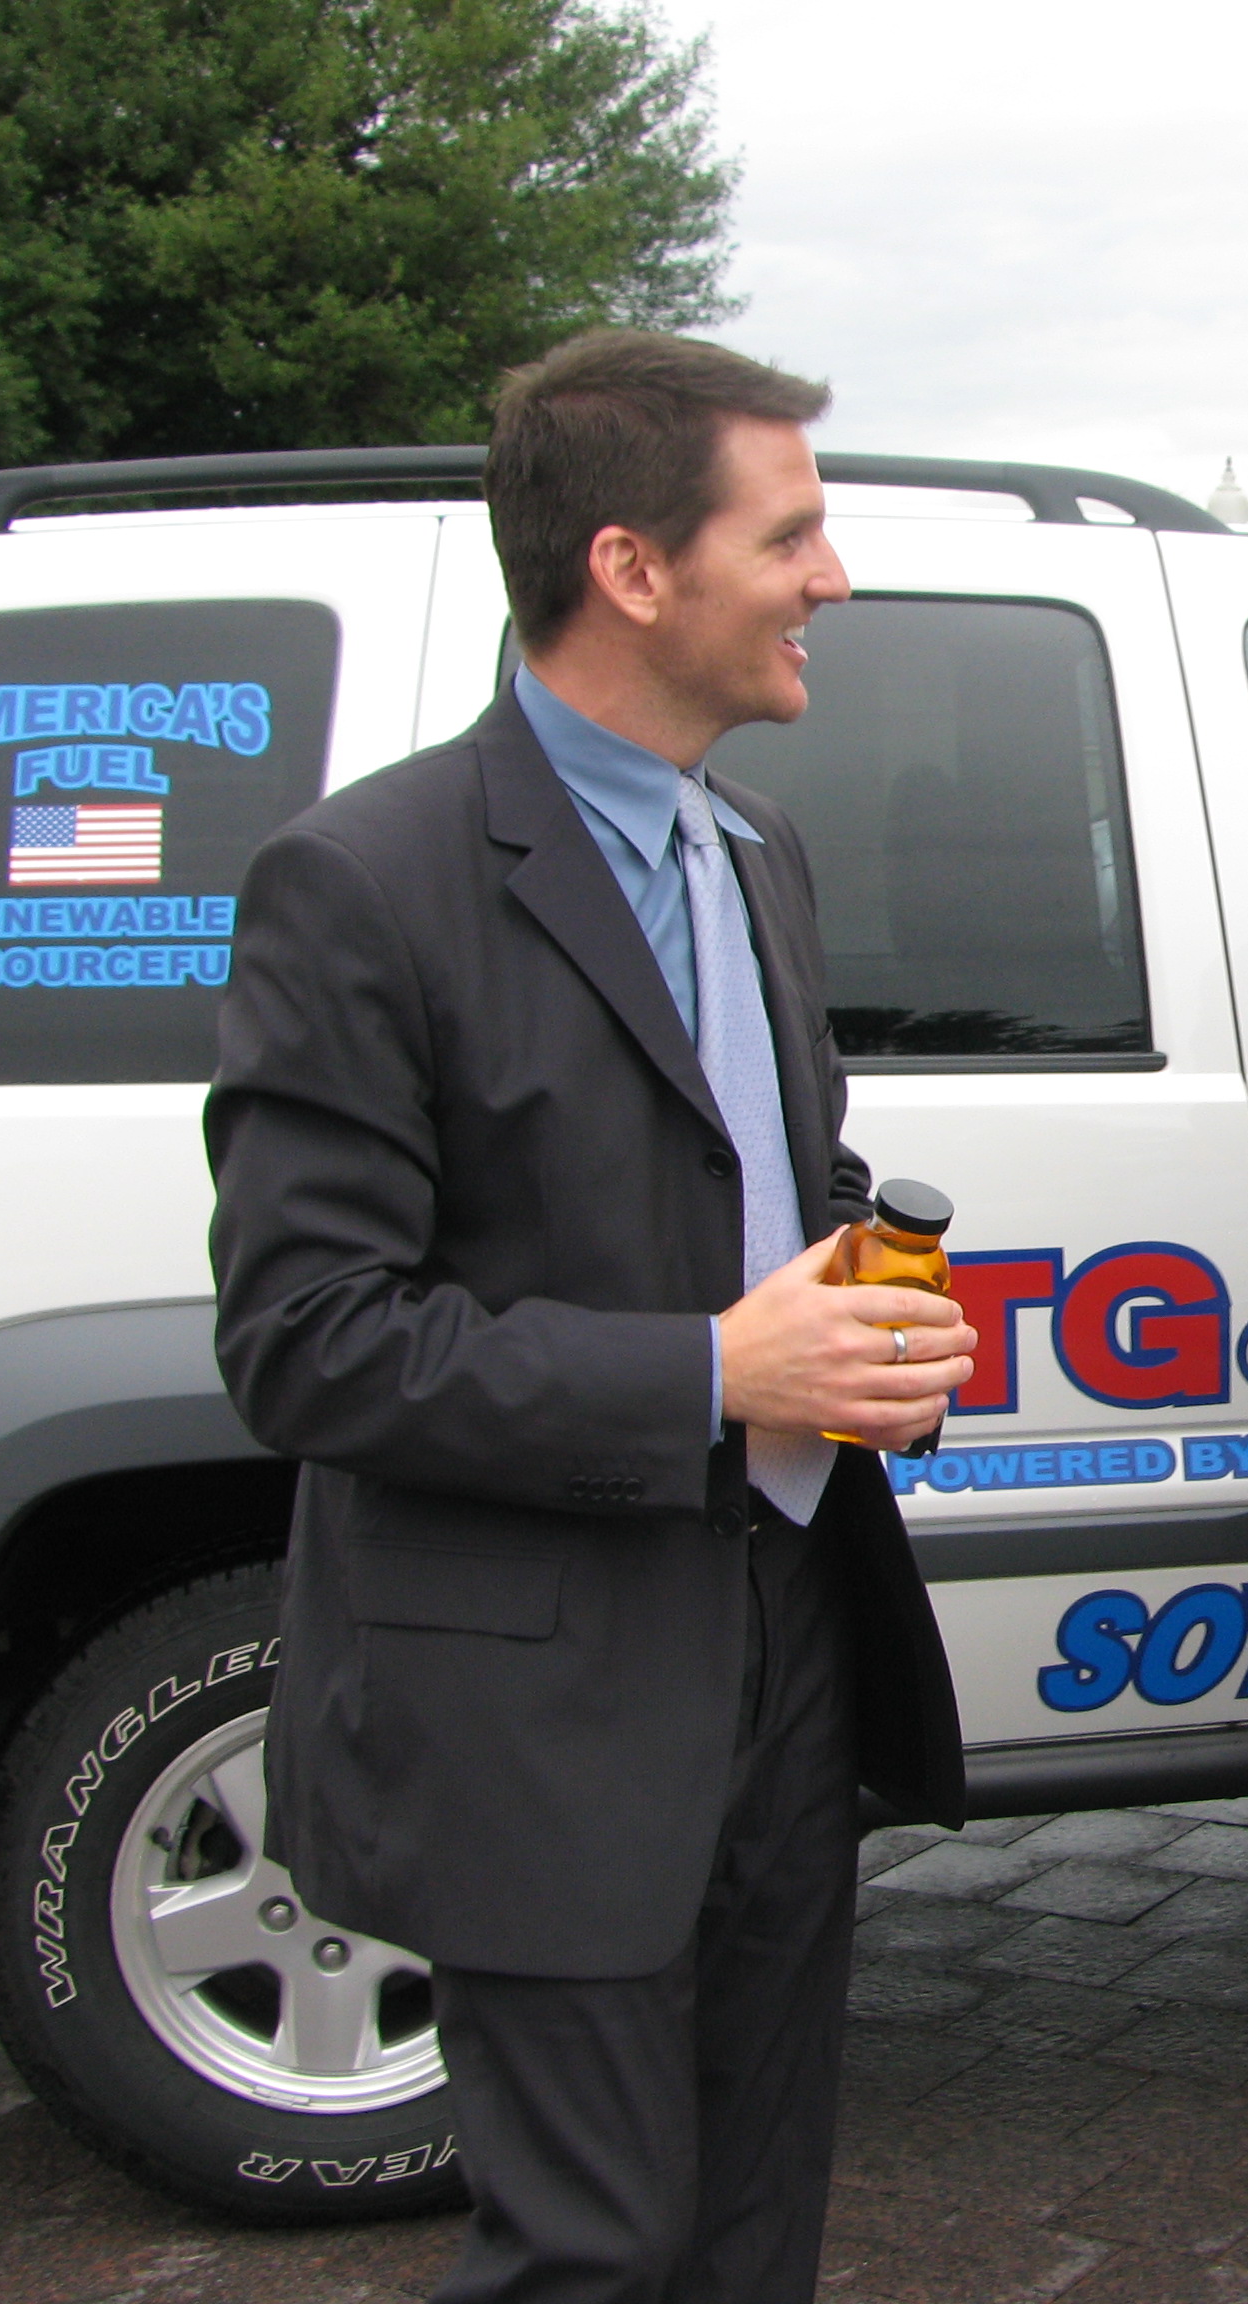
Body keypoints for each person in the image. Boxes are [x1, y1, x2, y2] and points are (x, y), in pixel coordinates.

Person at [206, 329, 976, 2304]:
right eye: (789, 536)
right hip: (539, 1705)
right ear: (633, 569)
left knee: (753, 2223)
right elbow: (308, 1336)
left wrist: (864, 1323)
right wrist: (717, 1369)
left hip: (787, 1635)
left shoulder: (758, 849)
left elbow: (768, 1171)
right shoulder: (360, 879)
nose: (832, 579)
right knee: (595, 2247)